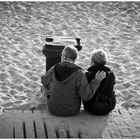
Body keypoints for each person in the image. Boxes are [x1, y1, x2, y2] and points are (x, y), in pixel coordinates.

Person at [41, 45, 106, 116]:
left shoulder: (54, 68)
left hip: (53, 109)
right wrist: (96, 81)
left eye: (61, 55)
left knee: (43, 87)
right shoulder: (79, 72)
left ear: (65, 56)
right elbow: (86, 96)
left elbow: (44, 81)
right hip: (72, 111)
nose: (61, 56)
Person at [83, 49, 116, 115]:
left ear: (92, 61)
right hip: (108, 105)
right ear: (105, 61)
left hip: (90, 106)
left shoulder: (88, 74)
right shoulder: (110, 74)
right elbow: (113, 84)